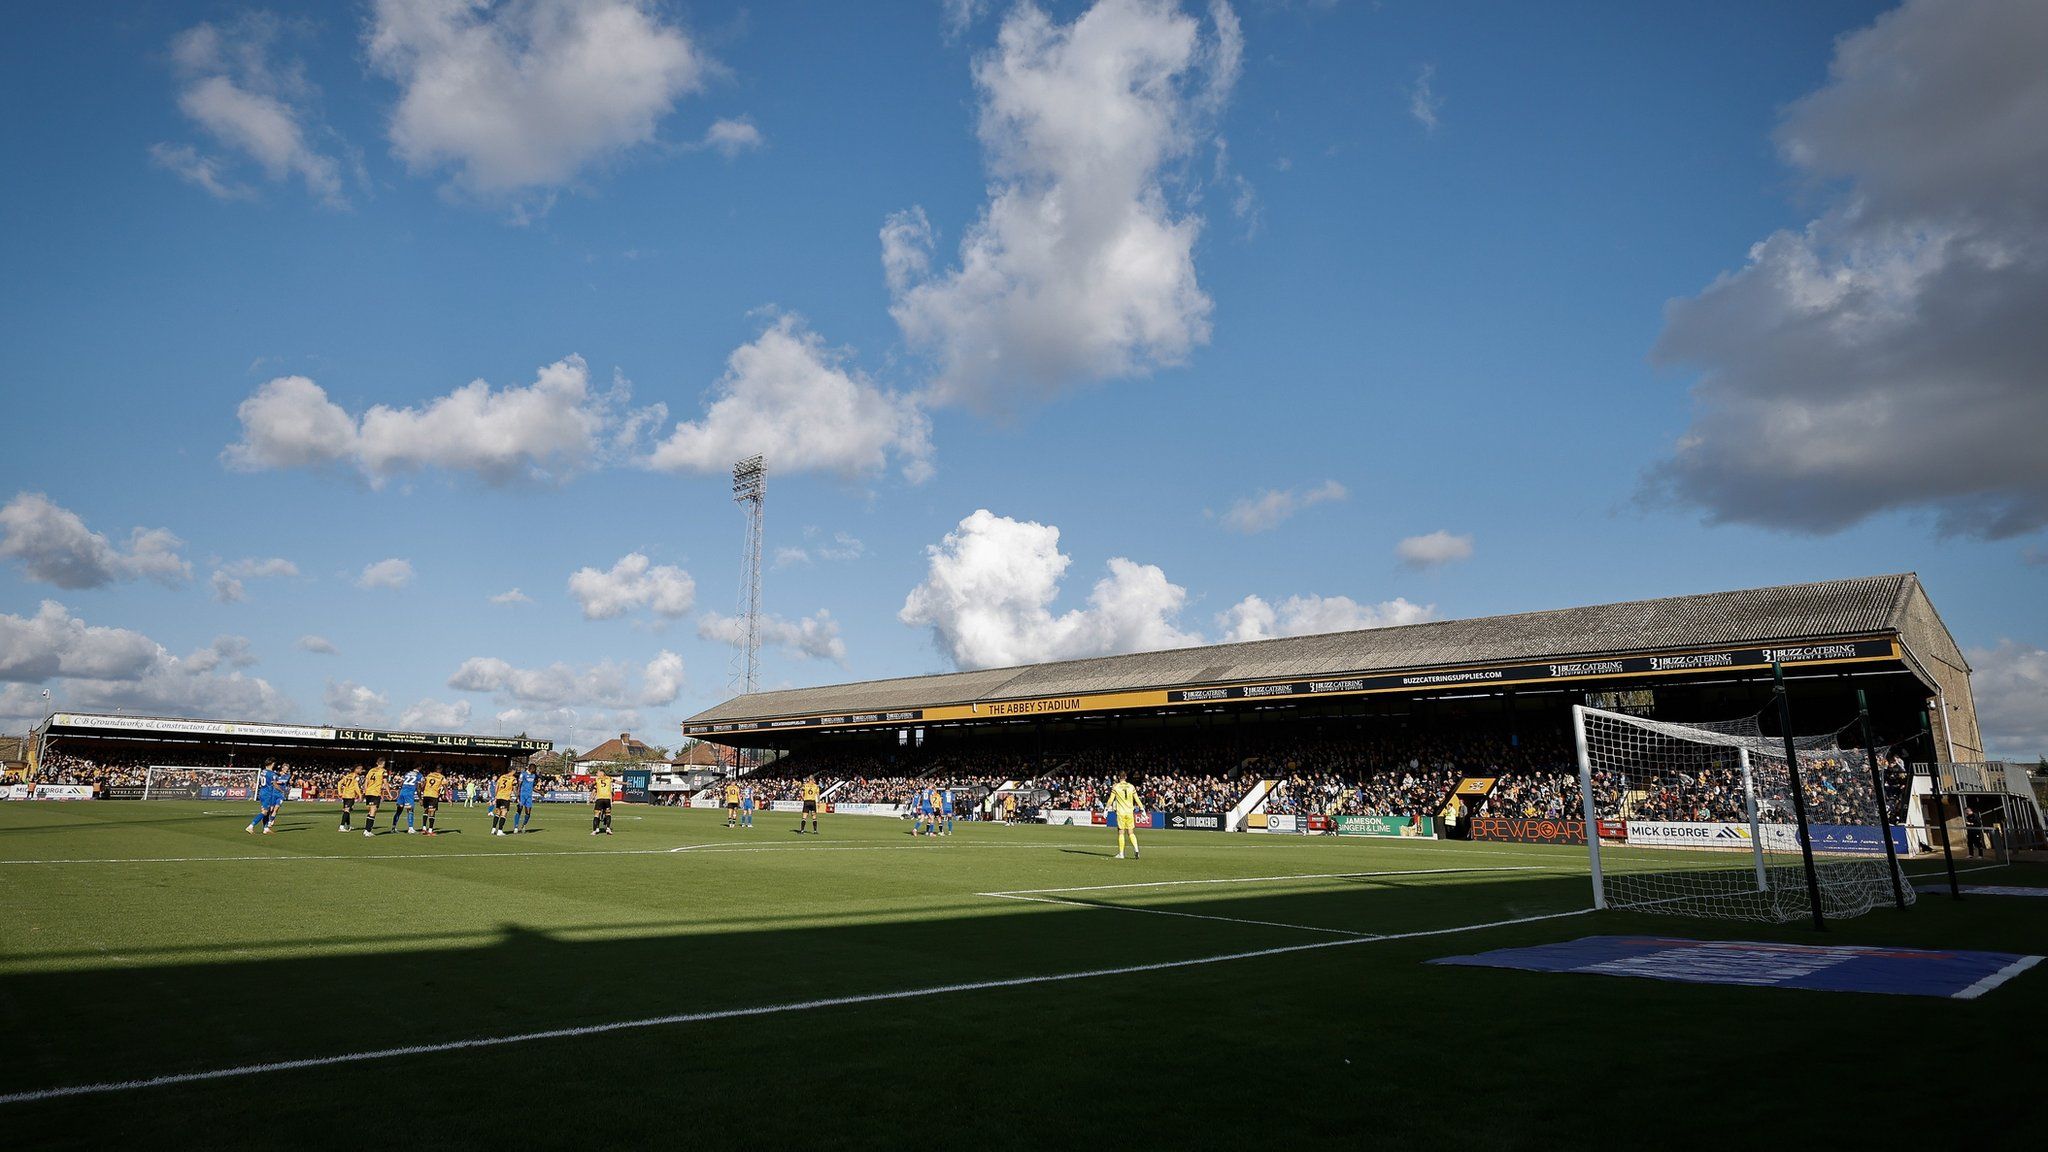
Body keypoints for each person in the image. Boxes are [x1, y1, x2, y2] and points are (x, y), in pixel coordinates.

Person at [246, 760, 285, 835]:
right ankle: (251, 826)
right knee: (265, 811)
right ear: (272, 764)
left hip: (262, 792)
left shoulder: (263, 772)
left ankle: (266, 828)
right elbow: (275, 784)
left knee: (267, 811)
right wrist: (281, 790)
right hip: (267, 794)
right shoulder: (272, 774)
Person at [1108, 775, 1142, 860]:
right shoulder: (1131, 786)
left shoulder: (1116, 787)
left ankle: (1121, 854)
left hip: (1121, 812)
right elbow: (1137, 799)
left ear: (1119, 778)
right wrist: (1142, 808)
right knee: (1131, 832)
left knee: (1121, 832)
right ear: (1126, 777)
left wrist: (1106, 809)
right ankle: (1136, 849)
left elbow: (1111, 799)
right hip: (1130, 812)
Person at [361, 759, 388, 838]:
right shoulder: (383, 771)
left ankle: (366, 830)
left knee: (370, 812)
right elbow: (385, 783)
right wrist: (389, 793)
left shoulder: (371, 770)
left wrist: (365, 791)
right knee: (373, 812)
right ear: (383, 763)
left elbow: (366, 782)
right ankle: (368, 831)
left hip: (368, 792)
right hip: (375, 793)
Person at [391, 767, 421, 834]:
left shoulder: (407, 773)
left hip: (402, 792)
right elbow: (418, 787)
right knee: (410, 810)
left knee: (398, 811)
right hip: (409, 794)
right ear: (420, 767)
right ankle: (410, 828)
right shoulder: (419, 775)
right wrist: (420, 798)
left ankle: (393, 827)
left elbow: (401, 783)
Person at [491, 767, 518, 836]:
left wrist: (495, 796)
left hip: (499, 796)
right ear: (512, 771)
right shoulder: (513, 779)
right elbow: (514, 789)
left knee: (497, 812)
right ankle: (500, 831)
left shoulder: (502, 776)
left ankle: (493, 829)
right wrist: (517, 797)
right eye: (515, 771)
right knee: (504, 813)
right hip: (505, 798)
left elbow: (497, 786)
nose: (515, 772)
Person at [513, 763, 539, 833]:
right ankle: (516, 827)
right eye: (534, 769)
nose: (535, 770)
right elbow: (519, 785)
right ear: (531, 768)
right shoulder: (523, 774)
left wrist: (539, 792)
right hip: (522, 795)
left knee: (528, 813)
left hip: (529, 796)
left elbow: (532, 787)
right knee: (519, 809)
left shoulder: (533, 775)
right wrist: (518, 795)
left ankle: (523, 825)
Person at [421, 768, 446, 836]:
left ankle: (423, 828)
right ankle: (430, 830)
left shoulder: (429, 775)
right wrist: (445, 795)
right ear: (440, 770)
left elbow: (423, 784)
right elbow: (444, 786)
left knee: (426, 810)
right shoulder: (441, 777)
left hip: (426, 794)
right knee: (432, 812)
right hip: (433, 795)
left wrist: (422, 793)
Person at [338, 768, 362, 832]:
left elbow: (339, 783)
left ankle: (348, 826)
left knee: (347, 811)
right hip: (350, 796)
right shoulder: (356, 777)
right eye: (360, 769)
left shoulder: (347, 776)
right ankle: (341, 826)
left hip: (345, 795)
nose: (361, 771)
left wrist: (340, 792)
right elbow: (356, 787)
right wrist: (360, 795)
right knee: (347, 810)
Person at [592, 770, 615, 836]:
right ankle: (608, 828)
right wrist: (625, 783)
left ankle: (595, 830)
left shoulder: (597, 779)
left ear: (602, 773)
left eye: (598, 772)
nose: (597, 774)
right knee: (608, 813)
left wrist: (591, 785)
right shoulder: (609, 778)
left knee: (596, 814)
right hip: (607, 799)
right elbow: (617, 782)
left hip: (599, 799)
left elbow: (592, 785)